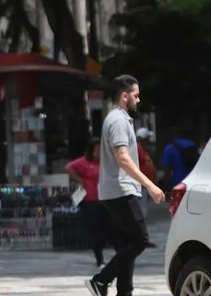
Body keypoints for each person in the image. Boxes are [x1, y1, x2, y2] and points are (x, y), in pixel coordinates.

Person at [86, 75, 165, 296]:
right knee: (140, 241)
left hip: (114, 191)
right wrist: (150, 185)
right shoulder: (118, 121)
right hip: (121, 190)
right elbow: (122, 157)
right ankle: (101, 281)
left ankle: (124, 292)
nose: (139, 100)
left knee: (127, 245)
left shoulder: (116, 119)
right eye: (136, 95)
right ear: (124, 96)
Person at [66, 137, 108, 267]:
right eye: (97, 151)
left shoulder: (105, 162)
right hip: (90, 199)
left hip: (105, 197)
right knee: (96, 229)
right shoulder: (83, 163)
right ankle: (99, 257)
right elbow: (69, 168)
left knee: (106, 227)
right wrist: (79, 180)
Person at [135, 128, 157, 219]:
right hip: (140, 185)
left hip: (145, 185)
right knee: (141, 210)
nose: (149, 140)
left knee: (143, 209)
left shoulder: (142, 149)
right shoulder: (136, 149)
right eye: (147, 138)